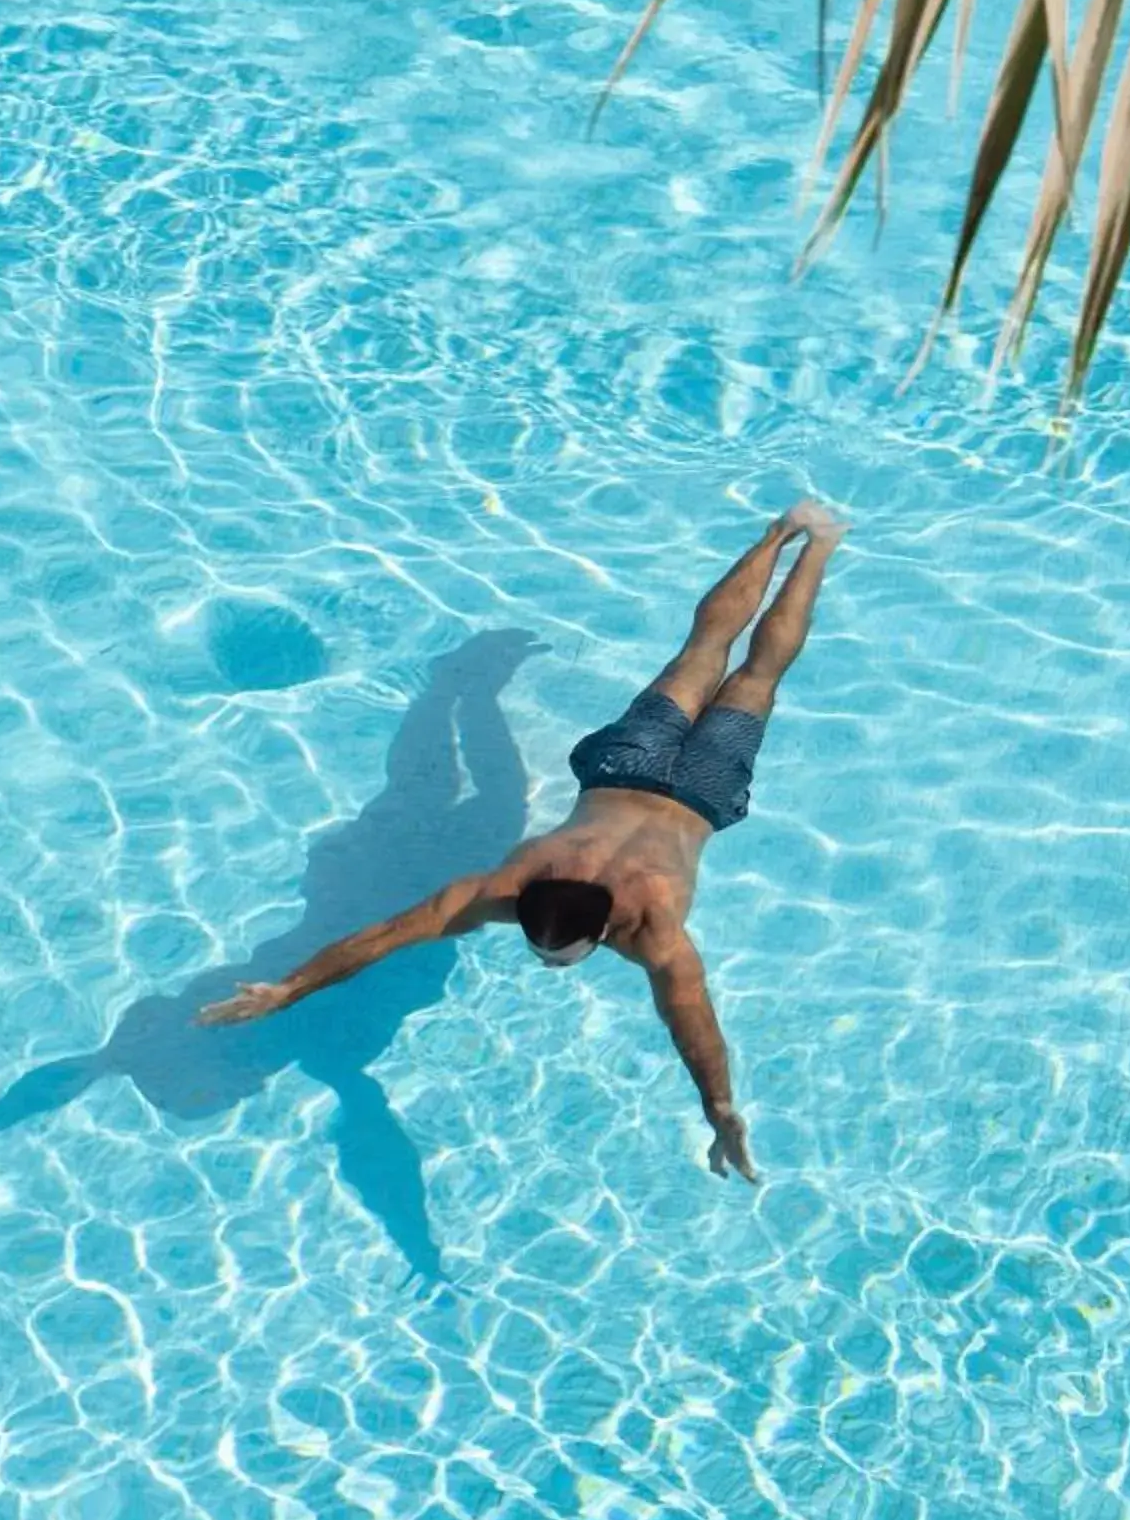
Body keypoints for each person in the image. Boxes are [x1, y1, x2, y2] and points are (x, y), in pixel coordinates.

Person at [201, 500, 847, 1182]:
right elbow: (380, 937)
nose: (547, 960)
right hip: (630, 768)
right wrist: (286, 989)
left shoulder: (645, 925)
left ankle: (809, 542)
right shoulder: (510, 890)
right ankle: (795, 534)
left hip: (696, 790)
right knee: (713, 657)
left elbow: (696, 1029)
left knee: (748, 672)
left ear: (604, 931)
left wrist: (722, 1111)